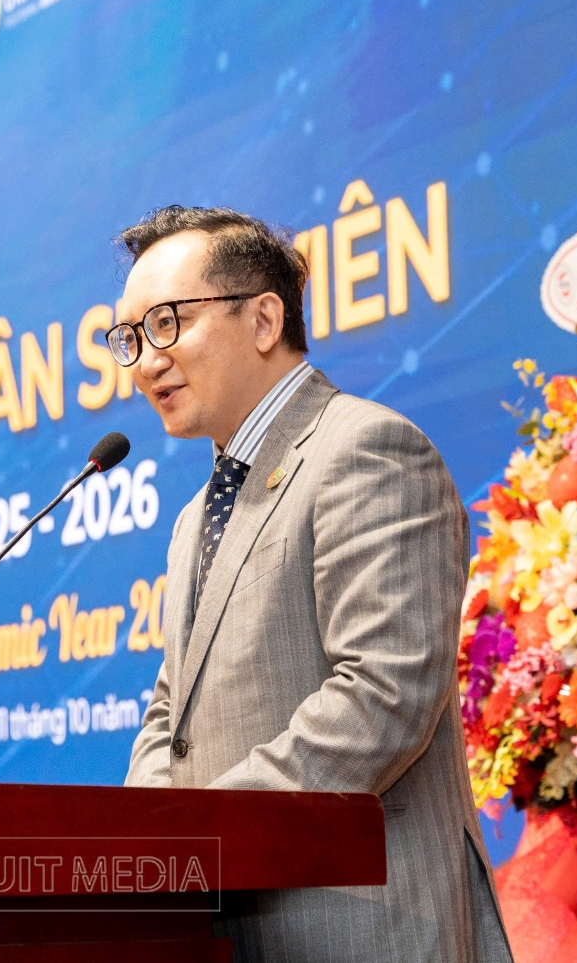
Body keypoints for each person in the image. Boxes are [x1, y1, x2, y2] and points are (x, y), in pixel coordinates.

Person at [115, 206, 512, 962]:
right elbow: (172, 711)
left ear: (264, 319)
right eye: (130, 337)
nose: (145, 362)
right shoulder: (196, 515)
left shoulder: (365, 449)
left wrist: (200, 833)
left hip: (356, 930)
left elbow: (383, 696)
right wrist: (146, 842)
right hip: (224, 928)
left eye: (167, 323)